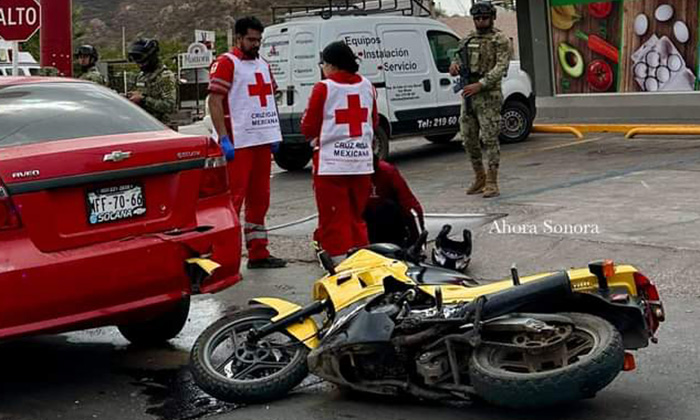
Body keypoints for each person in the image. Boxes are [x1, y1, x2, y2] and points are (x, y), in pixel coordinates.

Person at [207, 16, 287, 269]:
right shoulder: (226, 63)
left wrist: (274, 133)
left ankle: (258, 253)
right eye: (251, 39)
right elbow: (215, 100)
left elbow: (269, 98)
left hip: (262, 141)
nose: (256, 44)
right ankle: (225, 258)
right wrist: (223, 137)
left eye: (259, 40)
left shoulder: (263, 64)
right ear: (239, 38)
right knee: (233, 201)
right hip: (238, 143)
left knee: (260, 198)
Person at [301, 41, 378, 265]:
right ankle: (363, 263)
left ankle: (340, 268)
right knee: (356, 217)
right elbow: (372, 122)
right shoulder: (368, 86)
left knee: (334, 219)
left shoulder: (324, 88)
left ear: (331, 65)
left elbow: (308, 127)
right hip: (362, 163)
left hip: (331, 165)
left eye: (323, 63)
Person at [449, 2, 510, 198]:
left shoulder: (499, 39)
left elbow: (500, 68)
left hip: (488, 96)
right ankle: (479, 177)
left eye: (484, 18)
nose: (480, 22)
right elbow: (457, 58)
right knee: (468, 139)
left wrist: (481, 84)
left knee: (490, 139)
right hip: (469, 95)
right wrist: (454, 67)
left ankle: (492, 181)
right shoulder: (468, 39)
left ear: (492, 18)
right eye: (477, 18)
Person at [364, 154, 425, 248]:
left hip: (388, 222)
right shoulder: (348, 175)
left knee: (388, 206)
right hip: (363, 223)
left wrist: (418, 244)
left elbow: (409, 204)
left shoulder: (387, 171)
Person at [127, 38, 177, 125]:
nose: (140, 65)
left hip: (161, 126)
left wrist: (143, 99)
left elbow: (170, 106)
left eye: (142, 62)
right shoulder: (141, 76)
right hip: (143, 123)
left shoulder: (165, 76)